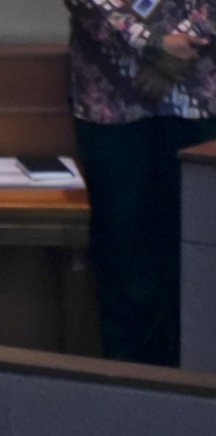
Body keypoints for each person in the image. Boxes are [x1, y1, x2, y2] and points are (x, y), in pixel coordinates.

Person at [66, 0, 216, 366]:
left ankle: (192, 392)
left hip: (198, 97)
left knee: (196, 253)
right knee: (123, 253)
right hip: (112, 100)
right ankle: (128, 389)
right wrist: (152, 44)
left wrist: (185, 46)